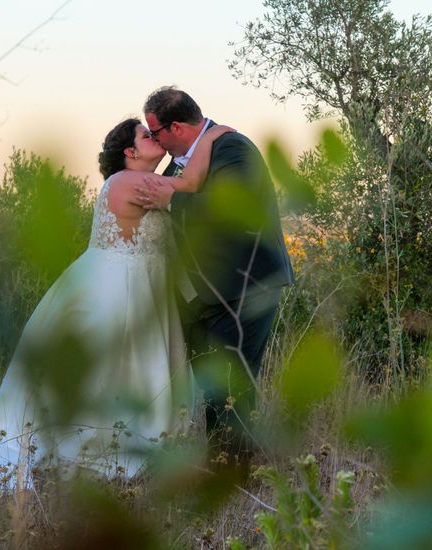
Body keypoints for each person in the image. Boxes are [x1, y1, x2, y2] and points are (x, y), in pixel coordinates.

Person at [0, 118, 234, 491]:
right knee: (118, 365)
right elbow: (190, 185)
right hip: (116, 289)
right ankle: (107, 447)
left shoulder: (137, 181)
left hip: (139, 285)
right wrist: (208, 133)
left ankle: (132, 445)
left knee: (129, 366)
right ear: (130, 152)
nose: (155, 137)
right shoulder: (129, 181)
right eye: (147, 135)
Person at [137, 87, 294, 474]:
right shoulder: (180, 168)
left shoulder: (234, 150)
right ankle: (222, 466)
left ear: (175, 127)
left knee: (232, 383)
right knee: (212, 389)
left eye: (155, 133)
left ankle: (234, 474)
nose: (153, 140)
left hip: (246, 287)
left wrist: (171, 202)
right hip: (203, 297)